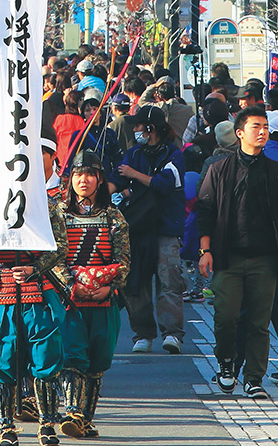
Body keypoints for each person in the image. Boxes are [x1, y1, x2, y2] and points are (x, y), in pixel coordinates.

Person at [0, 146, 69, 446]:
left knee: (45, 356)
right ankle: (6, 425)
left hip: (38, 288)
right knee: (0, 357)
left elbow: (60, 245)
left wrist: (35, 266)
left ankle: (47, 423)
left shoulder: (45, 202)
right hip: (0, 287)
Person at [196, 105, 278, 398]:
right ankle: (227, 363)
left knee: (259, 321)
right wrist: (205, 250)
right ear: (240, 132)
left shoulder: (273, 171)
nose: (263, 132)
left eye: (265, 127)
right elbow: (204, 211)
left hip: (265, 259)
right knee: (225, 316)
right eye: (256, 127)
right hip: (228, 257)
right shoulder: (219, 169)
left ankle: (254, 378)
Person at [57, 150, 131, 438]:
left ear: (100, 179)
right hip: (70, 299)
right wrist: (69, 284)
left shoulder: (114, 217)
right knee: (72, 354)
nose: (83, 180)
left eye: (89, 174)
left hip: (104, 300)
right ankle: (72, 411)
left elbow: (124, 259)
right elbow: (53, 257)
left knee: (99, 358)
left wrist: (109, 287)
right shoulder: (59, 215)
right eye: (77, 174)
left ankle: (86, 417)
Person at [107, 105, 186, 355]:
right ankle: (142, 334)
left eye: (139, 126)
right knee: (135, 281)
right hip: (138, 227)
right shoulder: (133, 154)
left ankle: (172, 333)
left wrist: (134, 175)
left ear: (151, 128)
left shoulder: (174, 155)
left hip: (166, 227)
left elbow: (165, 183)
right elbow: (117, 177)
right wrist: (99, 192)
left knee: (169, 281)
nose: (135, 130)